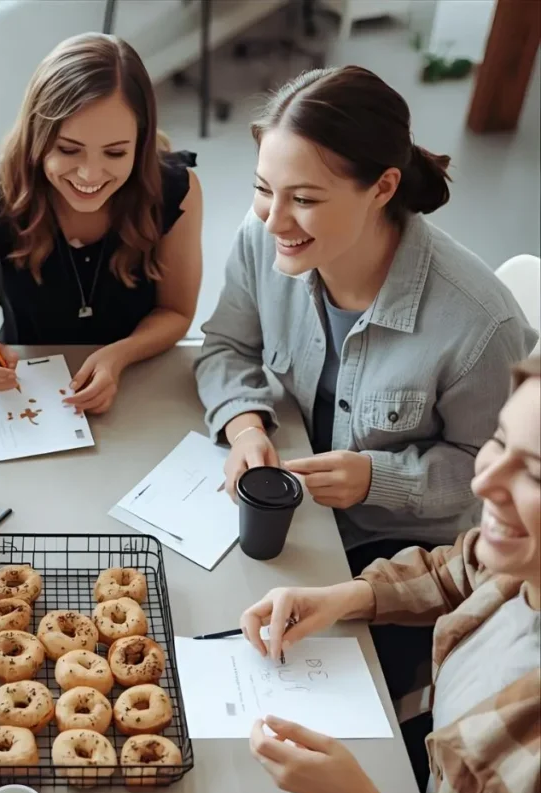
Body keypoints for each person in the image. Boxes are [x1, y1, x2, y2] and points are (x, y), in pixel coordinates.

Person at [194, 65, 536, 747]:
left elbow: (485, 477)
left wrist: (377, 478)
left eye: (304, 199)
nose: (273, 219)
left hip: (409, 558)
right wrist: (244, 423)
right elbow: (225, 344)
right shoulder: (263, 240)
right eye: (263, 189)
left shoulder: (480, 323)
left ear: (383, 187)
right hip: (298, 526)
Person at [242, 356, 540, 793]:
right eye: (498, 442)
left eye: (536, 474)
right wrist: (347, 596)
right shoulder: (524, 565)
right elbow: (460, 567)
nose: (483, 480)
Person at [0, 33, 203, 416]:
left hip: (139, 381)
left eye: (115, 152)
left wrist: (119, 356)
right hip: (23, 390)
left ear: (140, 143)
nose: (90, 174)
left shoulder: (176, 191)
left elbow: (176, 311)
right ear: (37, 137)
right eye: (68, 149)